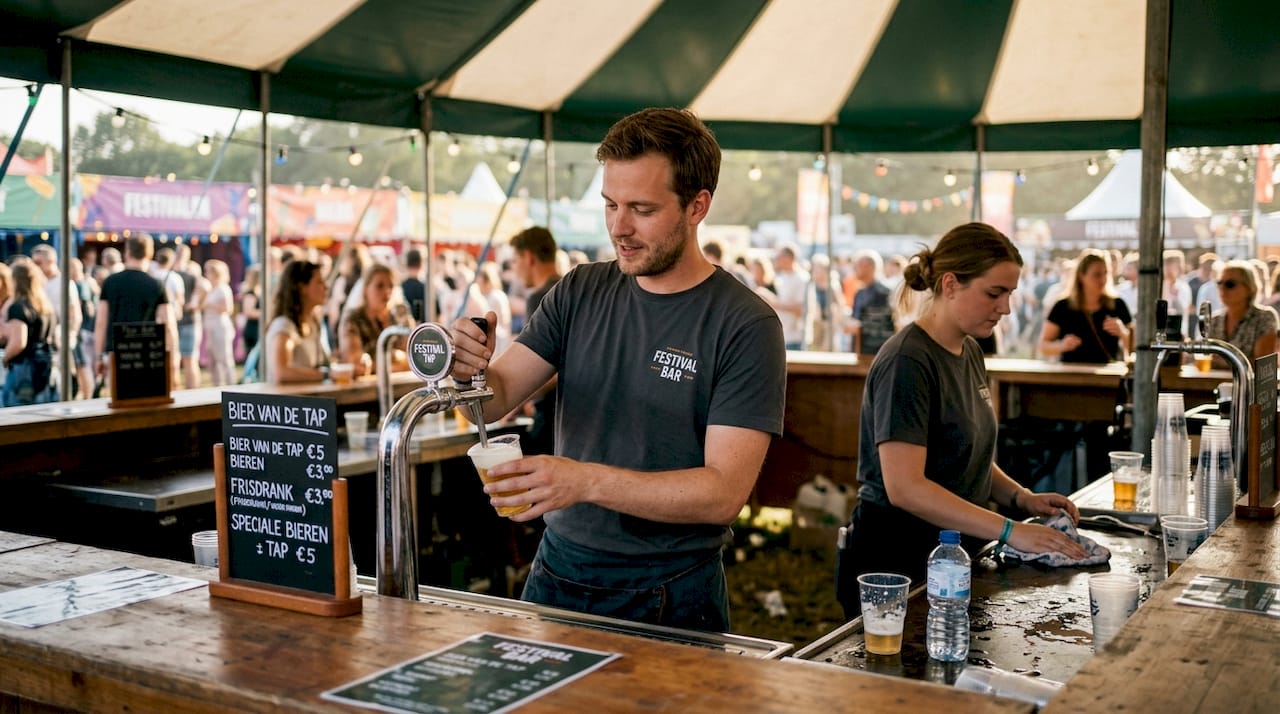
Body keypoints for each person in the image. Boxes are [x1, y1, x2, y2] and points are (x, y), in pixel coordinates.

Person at [448, 107, 786, 632]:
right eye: (610, 205)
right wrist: (467, 368)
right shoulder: (581, 289)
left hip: (672, 587)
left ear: (697, 207)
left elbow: (723, 494)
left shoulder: (744, 322)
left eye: (642, 209)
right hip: (557, 568)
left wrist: (582, 482)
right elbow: (493, 400)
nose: (619, 228)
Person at [837, 222, 1087, 618]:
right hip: (899, 563)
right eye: (994, 293)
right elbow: (905, 487)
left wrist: (1021, 497)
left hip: (954, 555)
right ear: (950, 284)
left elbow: (964, 455)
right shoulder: (908, 361)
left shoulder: (969, 351)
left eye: (1009, 294)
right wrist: (1010, 529)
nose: (1004, 307)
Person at [94, 234, 176, 387]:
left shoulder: (110, 282)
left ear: (127, 252)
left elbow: (101, 322)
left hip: (116, 352)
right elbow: (168, 325)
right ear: (149, 254)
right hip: (148, 352)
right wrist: (172, 358)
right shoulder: (156, 284)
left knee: (118, 402)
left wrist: (98, 356)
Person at [509, 226, 562, 456]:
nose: (515, 270)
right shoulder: (571, 290)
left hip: (551, 416)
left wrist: (512, 401)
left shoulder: (540, 298)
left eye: (515, 261)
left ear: (528, 257)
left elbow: (541, 367)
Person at [1038, 249, 1133, 364]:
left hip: (1109, 377)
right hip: (1072, 375)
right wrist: (1062, 345)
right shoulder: (1062, 306)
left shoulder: (1118, 304)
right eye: (1097, 274)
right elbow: (1043, 346)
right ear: (1081, 276)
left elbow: (1136, 346)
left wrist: (1122, 332)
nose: (1103, 279)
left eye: (1105, 273)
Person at [336, 261, 414, 377]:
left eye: (390, 286)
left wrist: (378, 364)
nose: (387, 291)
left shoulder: (399, 318)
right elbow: (356, 364)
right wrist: (398, 360)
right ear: (366, 289)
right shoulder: (353, 319)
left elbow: (415, 358)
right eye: (380, 286)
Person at [2, 259, 57, 406]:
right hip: (44, 364)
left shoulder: (18, 307)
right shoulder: (45, 306)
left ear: (15, 280)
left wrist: (5, 358)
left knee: (16, 418)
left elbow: (19, 342)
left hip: (24, 368)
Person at [266, 260, 330, 384]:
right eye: (319, 282)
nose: (326, 287)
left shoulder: (313, 323)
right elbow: (282, 372)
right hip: (289, 402)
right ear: (302, 288)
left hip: (308, 400)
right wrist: (326, 375)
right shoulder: (284, 325)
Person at [1205, 260, 1278, 366]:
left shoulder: (1264, 317)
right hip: (1214, 382)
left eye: (1230, 284)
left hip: (1249, 383)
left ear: (1249, 288)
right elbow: (1204, 357)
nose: (1222, 289)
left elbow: (1262, 365)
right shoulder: (1214, 320)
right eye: (1219, 283)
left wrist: (1220, 362)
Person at [201, 259, 236, 386]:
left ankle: (230, 384)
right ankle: (217, 385)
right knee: (213, 359)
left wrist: (210, 305)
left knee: (225, 358)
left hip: (220, 327)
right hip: (211, 326)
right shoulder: (212, 288)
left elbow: (228, 309)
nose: (206, 274)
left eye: (208, 272)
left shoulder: (223, 289)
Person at [400, 248, 426, 323]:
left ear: (406, 264)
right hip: (425, 331)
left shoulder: (400, 287)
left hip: (405, 331)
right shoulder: (427, 289)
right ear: (421, 264)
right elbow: (437, 316)